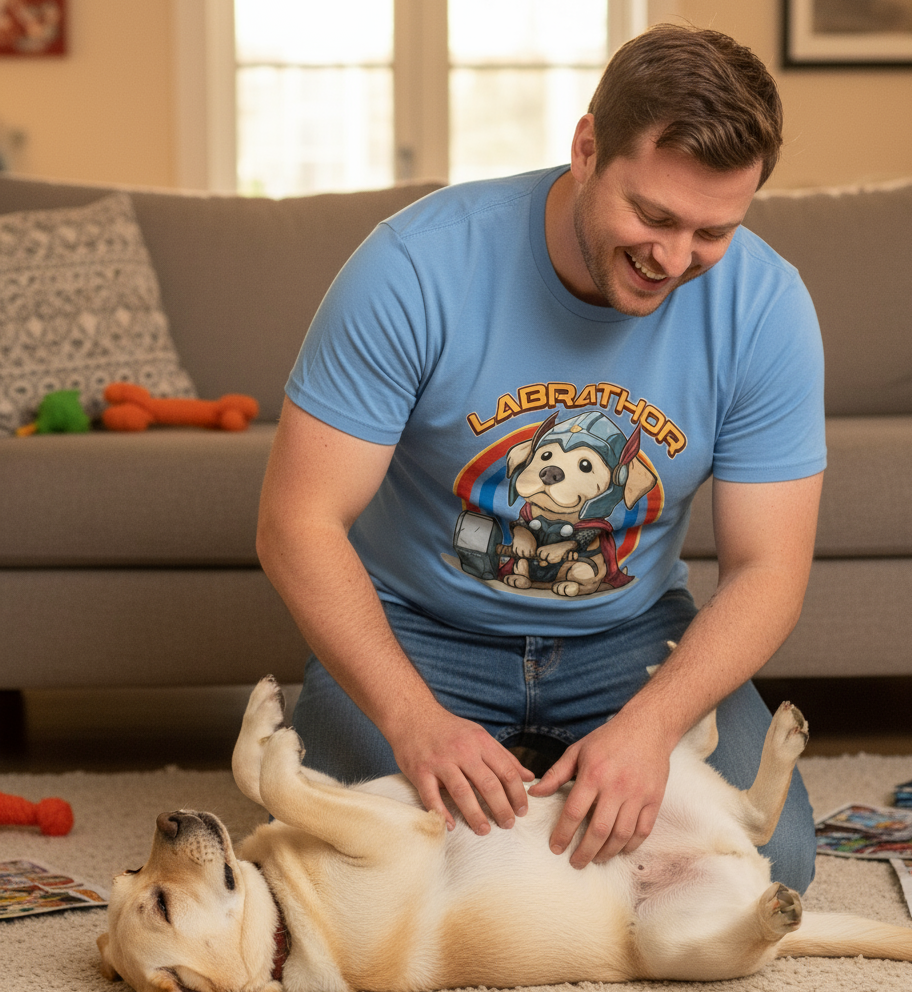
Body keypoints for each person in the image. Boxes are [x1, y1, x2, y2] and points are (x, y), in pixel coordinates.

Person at [256, 23, 825, 891]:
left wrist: (649, 726)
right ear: (587, 147)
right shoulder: (414, 266)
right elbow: (296, 521)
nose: (673, 259)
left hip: (628, 637)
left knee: (771, 863)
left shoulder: (767, 305)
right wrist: (413, 720)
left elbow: (769, 568)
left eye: (712, 231)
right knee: (347, 870)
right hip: (418, 631)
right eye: (653, 215)